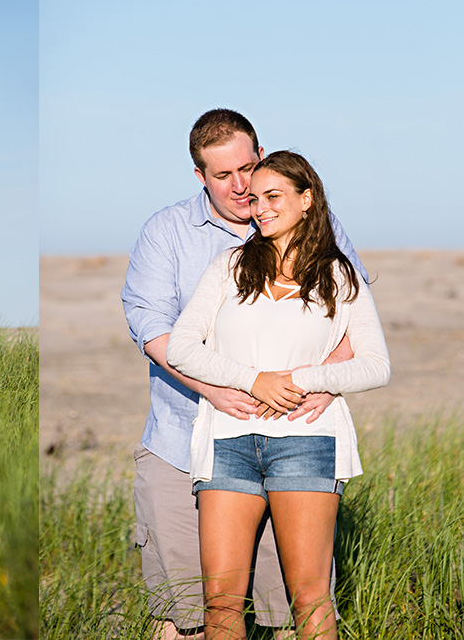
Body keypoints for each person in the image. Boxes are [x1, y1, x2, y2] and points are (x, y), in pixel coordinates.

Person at [121, 109, 368, 639]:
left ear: (261, 155)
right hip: (182, 442)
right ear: (199, 175)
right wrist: (216, 389)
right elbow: (151, 327)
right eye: (222, 175)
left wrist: (323, 383)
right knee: (188, 614)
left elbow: (352, 316)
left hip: (294, 442)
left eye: (247, 168)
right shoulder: (168, 231)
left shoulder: (313, 225)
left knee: (295, 611)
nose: (239, 186)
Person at [165, 151, 390, 639]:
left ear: (306, 199)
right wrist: (254, 380)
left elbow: (377, 366)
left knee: (310, 597)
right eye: (254, 199)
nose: (260, 208)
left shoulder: (339, 276)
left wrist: (304, 379)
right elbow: (181, 348)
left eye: (273, 196)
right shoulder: (229, 266)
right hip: (228, 443)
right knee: (220, 601)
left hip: (307, 441)